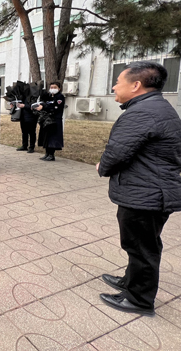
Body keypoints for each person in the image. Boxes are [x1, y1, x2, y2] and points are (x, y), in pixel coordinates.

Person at [97, 61, 181, 316]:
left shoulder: (142, 112)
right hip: (150, 190)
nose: (114, 87)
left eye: (118, 82)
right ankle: (130, 282)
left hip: (146, 194)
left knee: (142, 248)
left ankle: (139, 300)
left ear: (136, 85)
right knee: (141, 244)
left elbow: (117, 153)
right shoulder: (157, 107)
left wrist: (102, 166)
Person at [35, 82, 65, 161]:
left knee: (53, 138)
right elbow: (45, 104)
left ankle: (51, 155)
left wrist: (44, 107)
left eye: (55, 87)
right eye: (51, 87)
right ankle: (47, 153)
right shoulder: (48, 96)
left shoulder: (60, 97)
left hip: (55, 120)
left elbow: (55, 108)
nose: (52, 89)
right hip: (47, 120)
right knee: (46, 137)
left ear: (59, 88)